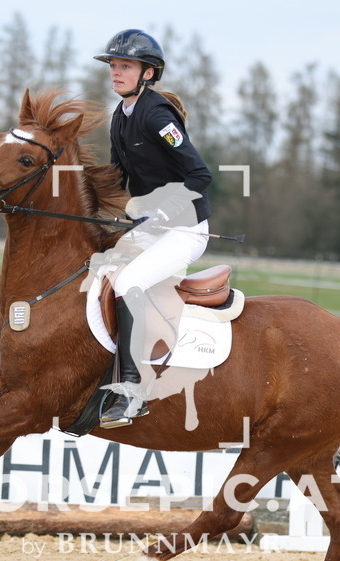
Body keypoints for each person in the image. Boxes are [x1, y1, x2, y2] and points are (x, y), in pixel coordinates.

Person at [93, 29, 213, 429]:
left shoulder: (158, 115)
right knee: (96, 274)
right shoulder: (119, 118)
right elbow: (116, 178)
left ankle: (131, 390)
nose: (115, 72)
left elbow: (199, 175)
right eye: (113, 65)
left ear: (148, 73)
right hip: (149, 227)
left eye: (124, 66)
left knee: (129, 284)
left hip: (183, 230)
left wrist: (163, 212)